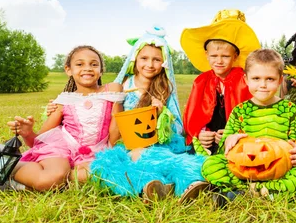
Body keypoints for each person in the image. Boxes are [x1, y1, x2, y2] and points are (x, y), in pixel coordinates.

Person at [0, 45, 125, 197]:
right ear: (68, 70)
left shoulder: (112, 89)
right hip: (61, 148)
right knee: (51, 178)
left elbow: (115, 130)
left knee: (95, 175)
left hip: (95, 150)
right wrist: (27, 132)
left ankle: (10, 184)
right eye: (80, 64)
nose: (87, 68)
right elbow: (38, 140)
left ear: (101, 70)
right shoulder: (64, 101)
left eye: (94, 64)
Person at [79, 28, 208, 201]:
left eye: (156, 60)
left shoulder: (164, 87)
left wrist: (163, 113)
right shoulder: (124, 85)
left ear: (164, 63)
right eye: (144, 58)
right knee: (111, 164)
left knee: (152, 156)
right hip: (127, 142)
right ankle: (158, 184)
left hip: (157, 142)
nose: (150, 64)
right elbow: (101, 110)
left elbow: (176, 124)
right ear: (135, 59)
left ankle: (183, 179)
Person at [201, 49, 296, 198]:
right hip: (244, 167)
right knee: (211, 165)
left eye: (270, 79)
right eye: (256, 78)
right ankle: (263, 192)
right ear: (246, 80)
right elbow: (225, 151)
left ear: (280, 80)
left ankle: (249, 191)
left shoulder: (290, 110)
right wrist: (228, 140)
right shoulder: (240, 111)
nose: (263, 84)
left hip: (280, 169)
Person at [180, 9, 261, 156]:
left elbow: (255, 116)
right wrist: (200, 134)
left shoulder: (244, 81)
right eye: (214, 56)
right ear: (206, 55)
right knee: (196, 161)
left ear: (235, 56)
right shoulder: (201, 81)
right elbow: (192, 116)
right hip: (208, 142)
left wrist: (232, 133)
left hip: (237, 141)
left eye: (225, 56)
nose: (219, 61)